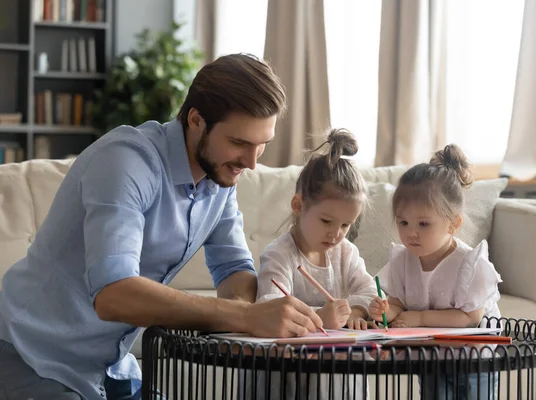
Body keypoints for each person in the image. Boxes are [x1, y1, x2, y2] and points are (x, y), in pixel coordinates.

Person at [0, 54, 323, 400]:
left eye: (262, 145)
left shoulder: (219, 181)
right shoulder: (126, 161)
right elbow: (113, 294)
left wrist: (255, 314)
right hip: (31, 355)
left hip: (110, 369)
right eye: (240, 143)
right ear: (196, 120)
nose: (252, 162)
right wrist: (243, 316)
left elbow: (234, 270)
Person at [250, 128, 378, 399]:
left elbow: (369, 292)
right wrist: (321, 318)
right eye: (326, 221)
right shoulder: (280, 254)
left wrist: (353, 313)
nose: (336, 234)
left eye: (346, 224)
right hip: (287, 373)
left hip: (337, 372)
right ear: (298, 205)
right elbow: (269, 305)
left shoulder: (346, 253)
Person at [369, 144, 502, 400]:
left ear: (453, 224)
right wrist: (387, 309)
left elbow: (470, 318)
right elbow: (398, 302)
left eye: (423, 224)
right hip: (431, 355)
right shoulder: (403, 261)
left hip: (472, 358)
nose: (411, 232)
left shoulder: (468, 264)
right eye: (403, 222)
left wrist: (418, 318)